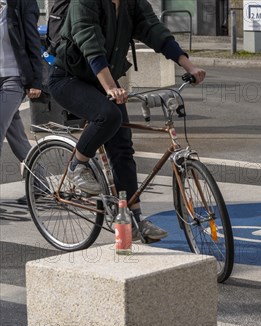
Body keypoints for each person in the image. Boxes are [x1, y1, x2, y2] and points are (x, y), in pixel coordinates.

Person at [48, 0, 206, 242]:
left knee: (122, 147)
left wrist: (189, 65)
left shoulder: (132, 4)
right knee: (108, 115)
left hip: (104, 80)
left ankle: (134, 218)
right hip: (69, 79)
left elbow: (156, 31)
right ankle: (77, 165)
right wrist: (111, 88)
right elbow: (90, 43)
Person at [0, 0, 43, 203]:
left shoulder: (22, 4)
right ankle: (41, 186)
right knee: (16, 136)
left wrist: (35, 81)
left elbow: (33, 41)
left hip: (13, 78)